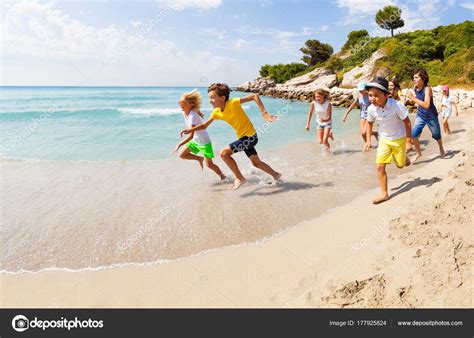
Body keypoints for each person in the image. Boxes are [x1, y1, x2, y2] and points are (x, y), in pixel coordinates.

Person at [180, 83, 281, 190]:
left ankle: (240, 178)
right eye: (209, 98)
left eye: (212, 97)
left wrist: (264, 113)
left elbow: (254, 96)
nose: (210, 100)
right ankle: (276, 175)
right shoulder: (216, 112)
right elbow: (204, 125)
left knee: (224, 153)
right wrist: (191, 130)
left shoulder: (233, 103)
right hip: (243, 138)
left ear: (223, 98)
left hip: (250, 137)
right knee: (256, 163)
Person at [363, 77, 412, 204]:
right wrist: (368, 141)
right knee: (379, 167)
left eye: (376, 96)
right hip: (383, 140)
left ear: (386, 95)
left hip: (399, 139)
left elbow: (407, 122)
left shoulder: (397, 106)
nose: (372, 98)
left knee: (400, 165)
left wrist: (408, 141)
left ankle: (404, 158)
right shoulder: (371, 109)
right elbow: (369, 124)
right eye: (370, 95)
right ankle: (384, 193)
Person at [172, 89, 226, 180]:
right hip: (196, 140)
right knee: (182, 155)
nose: (181, 104)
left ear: (191, 104)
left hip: (204, 142)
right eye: (180, 102)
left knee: (209, 165)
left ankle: (223, 177)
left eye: (183, 102)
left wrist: (179, 144)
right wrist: (199, 112)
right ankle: (199, 159)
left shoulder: (192, 117)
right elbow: (195, 109)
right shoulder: (185, 112)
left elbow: (190, 136)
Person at [407, 68, 445, 162]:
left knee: (436, 135)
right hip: (420, 115)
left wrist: (412, 98)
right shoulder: (415, 89)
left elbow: (427, 105)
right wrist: (410, 100)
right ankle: (418, 153)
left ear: (423, 78)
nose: (414, 79)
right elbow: (418, 101)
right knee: (414, 134)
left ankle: (441, 147)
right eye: (413, 78)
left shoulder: (427, 89)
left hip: (431, 116)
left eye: (416, 77)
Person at [305, 88, 333, 154]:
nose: (317, 98)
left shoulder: (328, 104)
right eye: (316, 97)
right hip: (319, 123)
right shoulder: (313, 103)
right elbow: (310, 113)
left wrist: (324, 119)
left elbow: (329, 117)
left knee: (324, 140)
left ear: (323, 96)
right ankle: (329, 134)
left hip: (327, 123)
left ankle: (329, 153)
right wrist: (307, 124)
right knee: (320, 141)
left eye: (318, 96)